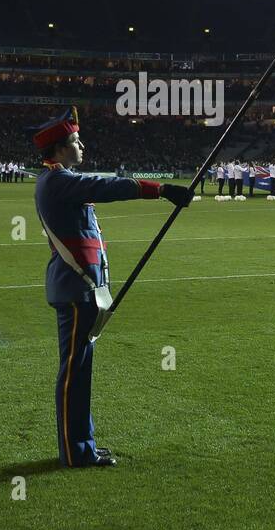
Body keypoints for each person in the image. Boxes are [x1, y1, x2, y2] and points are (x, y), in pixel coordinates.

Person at [29, 106, 193, 468]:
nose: (81, 145)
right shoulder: (56, 180)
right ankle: (75, 452)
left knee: (81, 373)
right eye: (74, 141)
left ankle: (83, 446)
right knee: (74, 373)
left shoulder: (59, 179)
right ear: (57, 149)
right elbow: (106, 187)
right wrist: (161, 189)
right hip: (75, 289)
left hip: (83, 290)